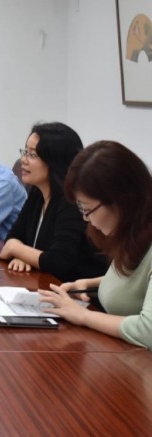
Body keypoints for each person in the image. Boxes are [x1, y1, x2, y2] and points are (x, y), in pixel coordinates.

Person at [39, 141, 152, 350]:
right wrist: (90, 284)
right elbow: (138, 279)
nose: (86, 219)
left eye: (87, 210)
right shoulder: (133, 232)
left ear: (122, 200)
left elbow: (148, 331)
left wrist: (83, 315)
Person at [0, 122, 107, 282]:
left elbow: (58, 262)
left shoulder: (72, 202)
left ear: (55, 161)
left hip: (75, 290)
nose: (23, 160)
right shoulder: (37, 192)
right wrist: (23, 254)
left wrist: (17, 249)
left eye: (32, 155)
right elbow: (13, 235)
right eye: (25, 152)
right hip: (45, 283)